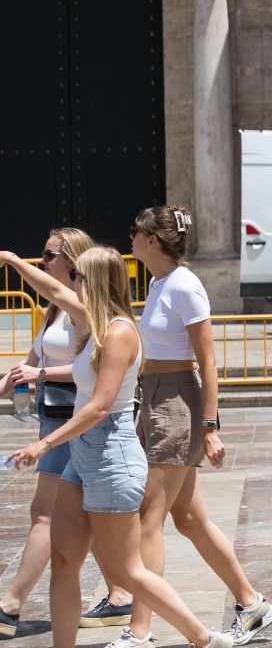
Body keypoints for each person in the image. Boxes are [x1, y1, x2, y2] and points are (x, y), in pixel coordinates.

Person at [0, 246, 236, 648]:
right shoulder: (93, 321)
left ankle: (202, 638)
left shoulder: (119, 331)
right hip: (83, 457)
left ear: (93, 280)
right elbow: (52, 292)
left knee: (127, 571)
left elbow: (100, 405)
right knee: (64, 561)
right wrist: (11, 261)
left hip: (112, 455)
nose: (69, 282)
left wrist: (43, 444)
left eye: (76, 276)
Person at [116, 206, 272, 647]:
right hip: (157, 396)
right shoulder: (156, 283)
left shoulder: (186, 285)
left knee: (147, 518)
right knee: (189, 519)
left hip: (177, 400)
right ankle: (251, 602)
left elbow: (207, 360)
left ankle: (139, 631)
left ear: (153, 240)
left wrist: (209, 425)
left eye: (135, 232)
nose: (129, 238)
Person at [0, 229, 94, 637]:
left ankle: (10, 605)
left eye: (49, 254)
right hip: (50, 412)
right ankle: (126, 593)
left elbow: (89, 369)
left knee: (44, 513)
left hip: (75, 418)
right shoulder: (52, 310)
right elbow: (33, 358)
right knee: (95, 515)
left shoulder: (83, 306)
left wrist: (14, 261)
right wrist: (11, 381)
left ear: (73, 260)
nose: (43, 260)